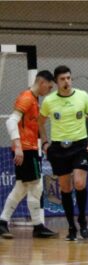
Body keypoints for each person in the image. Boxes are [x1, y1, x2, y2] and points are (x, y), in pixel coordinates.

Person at [38, 65, 88, 241]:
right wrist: (45, 142)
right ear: (56, 82)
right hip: (58, 148)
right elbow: (40, 122)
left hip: (80, 146)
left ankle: (83, 221)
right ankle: (71, 226)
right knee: (65, 187)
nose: (67, 82)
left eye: (69, 78)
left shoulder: (83, 96)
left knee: (79, 183)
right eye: (63, 79)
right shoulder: (49, 101)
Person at [0, 70, 58, 239]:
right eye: (49, 86)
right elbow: (11, 120)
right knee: (36, 185)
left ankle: (7, 222)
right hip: (25, 149)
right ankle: (36, 226)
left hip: (31, 147)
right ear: (41, 83)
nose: (50, 89)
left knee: (23, 187)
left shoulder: (34, 98)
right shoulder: (27, 97)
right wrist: (18, 146)